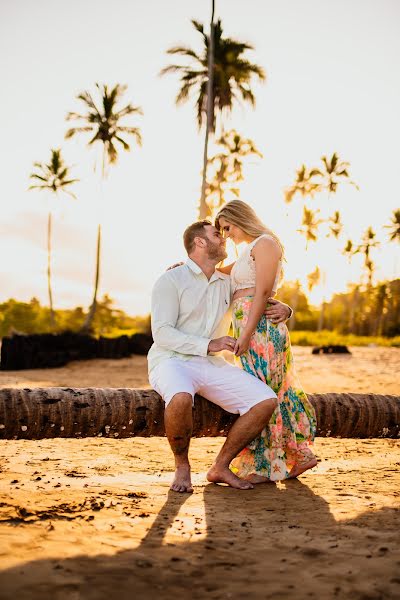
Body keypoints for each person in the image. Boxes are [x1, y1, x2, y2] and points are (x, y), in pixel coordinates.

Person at [148, 220, 292, 493]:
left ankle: (221, 466)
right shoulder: (170, 280)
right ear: (200, 242)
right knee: (180, 397)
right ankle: (182, 466)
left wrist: (286, 308)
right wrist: (210, 343)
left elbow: (256, 293)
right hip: (170, 360)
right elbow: (162, 333)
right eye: (217, 234)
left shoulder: (227, 281)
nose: (224, 237)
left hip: (212, 364)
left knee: (264, 401)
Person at [214, 200, 317, 482]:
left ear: (239, 218)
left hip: (259, 330)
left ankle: (274, 462)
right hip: (249, 327)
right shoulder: (249, 250)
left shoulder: (266, 243)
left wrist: (245, 334)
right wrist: (184, 266)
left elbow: (261, 293)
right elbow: (215, 273)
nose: (226, 234)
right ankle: (290, 459)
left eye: (227, 227)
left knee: (265, 392)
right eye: (221, 230)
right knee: (262, 392)